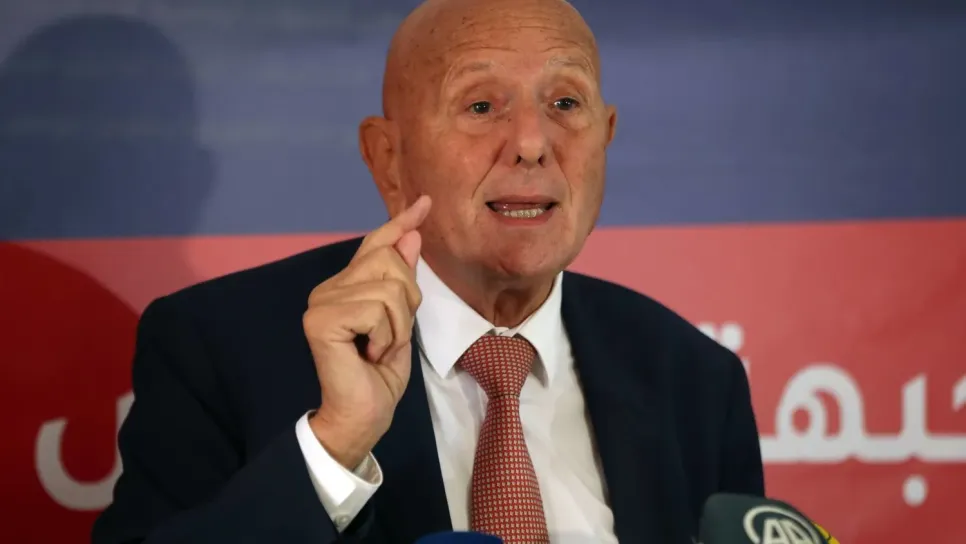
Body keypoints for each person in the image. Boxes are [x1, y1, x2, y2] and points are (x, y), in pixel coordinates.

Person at [92, 0, 764, 542]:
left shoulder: (696, 380)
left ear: (606, 135)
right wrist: (334, 447)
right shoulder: (220, 348)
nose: (533, 143)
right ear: (388, 159)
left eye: (566, 103)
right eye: (481, 106)